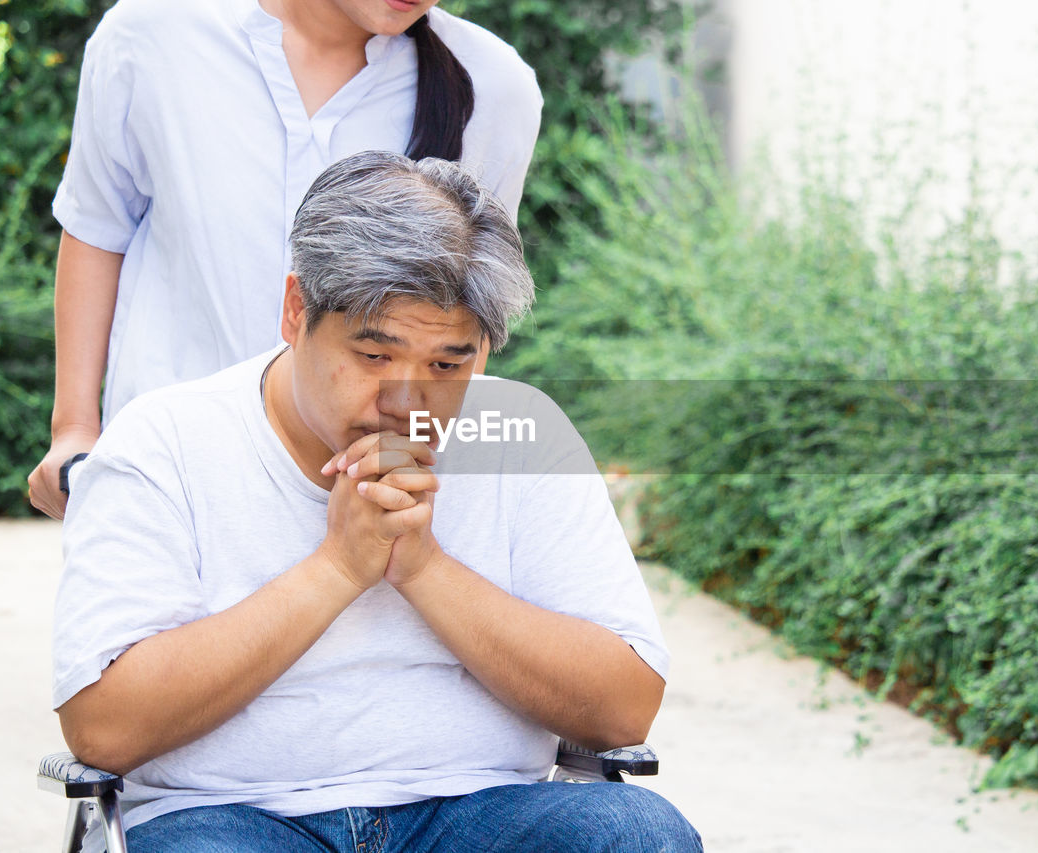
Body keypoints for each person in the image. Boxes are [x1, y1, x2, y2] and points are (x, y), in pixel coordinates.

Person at [51, 151, 703, 852]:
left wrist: (424, 569)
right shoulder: (164, 441)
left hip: (478, 811)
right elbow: (104, 728)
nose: (405, 400)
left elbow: (624, 708)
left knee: (642, 834)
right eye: (374, 355)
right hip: (230, 817)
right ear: (296, 309)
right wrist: (336, 568)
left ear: (481, 354)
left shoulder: (522, 433)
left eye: (446, 365)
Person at [27, 0, 543, 520]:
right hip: (164, 478)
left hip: (359, 495)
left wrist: (410, 464)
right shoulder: (151, 33)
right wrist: (74, 429)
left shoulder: (495, 84)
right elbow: (98, 231)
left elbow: (469, 310)